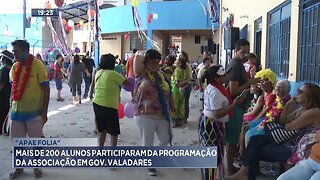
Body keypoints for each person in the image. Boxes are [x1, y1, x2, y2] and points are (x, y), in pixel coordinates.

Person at [226, 83, 320, 180]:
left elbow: (288, 127)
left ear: (310, 96)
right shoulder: (301, 109)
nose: (296, 93)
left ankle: (247, 174)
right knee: (255, 140)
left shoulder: (313, 112)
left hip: (295, 149)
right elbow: (282, 121)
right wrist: (287, 105)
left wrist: (288, 124)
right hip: (288, 142)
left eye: (300, 92)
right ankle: (245, 173)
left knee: (255, 150)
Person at [8, 40, 50, 179]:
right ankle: (18, 167)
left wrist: (44, 112)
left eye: (16, 51)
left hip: (34, 113)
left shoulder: (38, 65)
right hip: (16, 112)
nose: (14, 53)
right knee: (17, 142)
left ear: (26, 51)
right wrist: (10, 107)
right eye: (13, 51)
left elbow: (46, 88)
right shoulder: (14, 67)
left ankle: (36, 166)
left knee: (35, 142)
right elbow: (13, 88)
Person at [133, 49, 176, 176]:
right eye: (152, 62)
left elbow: (169, 91)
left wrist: (172, 104)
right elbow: (137, 59)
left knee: (166, 138)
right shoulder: (141, 74)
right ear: (146, 62)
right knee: (147, 142)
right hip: (145, 114)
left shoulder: (161, 75)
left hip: (162, 113)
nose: (155, 65)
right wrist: (144, 55)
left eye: (157, 62)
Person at [199, 65, 244, 179]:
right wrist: (234, 105)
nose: (226, 77)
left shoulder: (216, 88)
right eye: (223, 75)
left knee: (215, 155)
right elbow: (217, 113)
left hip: (213, 124)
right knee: (212, 156)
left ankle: (213, 176)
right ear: (216, 78)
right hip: (212, 125)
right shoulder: (215, 92)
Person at [225, 39, 261, 175]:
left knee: (232, 140)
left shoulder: (239, 64)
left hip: (239, 105)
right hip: (235, 106)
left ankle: (230, 168)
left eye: (247, 52)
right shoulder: (235, 65)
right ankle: (229, 171)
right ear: (235, 51)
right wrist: (249, 83)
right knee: (232, 141)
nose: (245, 55)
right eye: (242, 52)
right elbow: (233, 91)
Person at [93, 54, 130, 147]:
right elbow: (127, 83)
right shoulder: (113, 74)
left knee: (102, 130)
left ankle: (100, 150)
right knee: (114, 132)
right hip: (109, 105)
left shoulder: (99, 72)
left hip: (97, 104)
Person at [171, 55, 189, 127]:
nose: (176, 61)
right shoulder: (184, 71)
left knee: (175, 104)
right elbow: (186, 80)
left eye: (177, 60)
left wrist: (178, 85)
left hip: (176, 90)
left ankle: (174, 121)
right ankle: (180, 120)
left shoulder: (177, 70)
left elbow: (177, 81)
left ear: (180, 63)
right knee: (181, 105)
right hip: (182, 90)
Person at [0, 50, 14, 135]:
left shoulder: (4, 69)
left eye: (1, 57)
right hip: (8, 94)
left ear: (5, 59)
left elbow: (1, 84)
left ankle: (2, 130)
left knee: (2, 112)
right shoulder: (10, 68)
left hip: (3, 95)